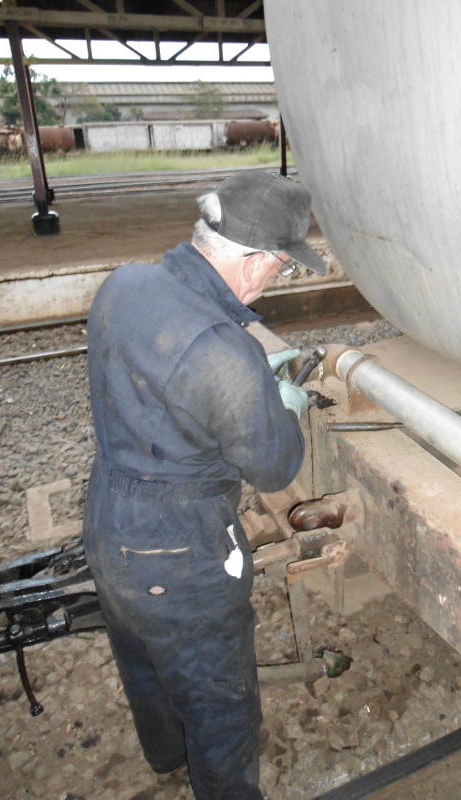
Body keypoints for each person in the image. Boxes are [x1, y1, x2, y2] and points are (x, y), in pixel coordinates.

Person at [82, 169, 326, 800]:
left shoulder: (124, 284)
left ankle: (165, 757)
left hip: (108, 516)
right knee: (220, 700)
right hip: (179, 550)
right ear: (254, 261)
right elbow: (274, 468)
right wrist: (283, 402)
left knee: (141, 653)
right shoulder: (225, 352)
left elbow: (158, 385)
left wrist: (238, 389)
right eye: (282, 266)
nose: (278, 278)